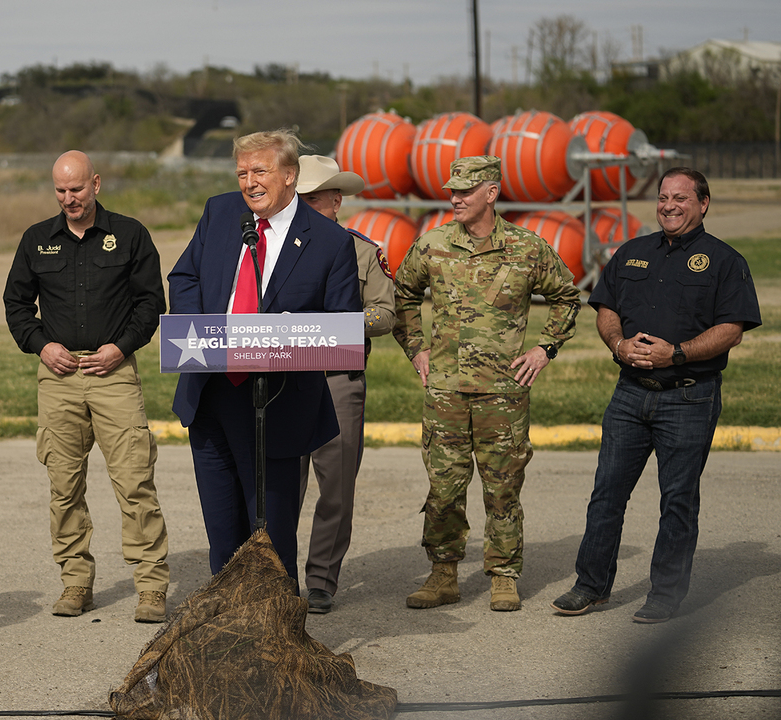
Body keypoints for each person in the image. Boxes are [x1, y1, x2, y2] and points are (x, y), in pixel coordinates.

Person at [551, 168, 760, 624]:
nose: (669, 205)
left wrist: (677, 354)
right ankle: (590, 585)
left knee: (678, 499)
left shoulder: (725, 261)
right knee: (606, 493)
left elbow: (732, 329)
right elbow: (607, 308)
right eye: (664, 197)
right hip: (629, 395)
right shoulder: (631, 253)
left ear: (703, 203)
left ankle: (665, 595)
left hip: (689, 396)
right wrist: (618, 344)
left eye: (680, 198)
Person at [168, 130, 362, 584]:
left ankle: (277, 635)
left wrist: (289, 337)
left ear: (290, 176)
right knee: (223, 535)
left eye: (260, 171)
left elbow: (344, 327)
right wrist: (207, 335)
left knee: (272, 539)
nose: (249, 182)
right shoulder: (221, 213)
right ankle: (228, 631)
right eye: (242, 173)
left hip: (276, 403)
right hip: (212, 393)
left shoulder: (329, 243)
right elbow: (184, 276)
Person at [393, 155, 579, 612]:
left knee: (502, 488)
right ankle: (442, 575)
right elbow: (402, 294)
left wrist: (543, 349)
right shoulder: (433, 245)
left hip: (503, 392)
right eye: (451, 190)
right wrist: (416, 347)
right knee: (444, 488)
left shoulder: (526, 248)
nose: (454, 198)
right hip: (446, 392)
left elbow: (567, 296)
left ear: (491, 194)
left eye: (465, 191)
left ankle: (502, 574)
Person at [3, 150, 170, 623]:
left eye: (76, 189)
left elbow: (150, 302)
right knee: (64, 486)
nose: (68, 198)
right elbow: (16, 305)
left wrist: (121, 347)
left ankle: (151, 586)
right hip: (58, 378)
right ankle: (76, 582)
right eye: (60, 190)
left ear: (95, 183)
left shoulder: (131, 234)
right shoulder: (37, 239)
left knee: (135, 481)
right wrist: (41, 346)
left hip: (113, 373)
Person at [294, 155, 396, 614]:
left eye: (315, 199)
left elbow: (384, 313)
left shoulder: (362, 251)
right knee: (280, 483)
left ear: (337, 200)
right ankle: (276, 575)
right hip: (286, 378)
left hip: (338, 378)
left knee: (336, 486)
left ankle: (321, 581)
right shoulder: (275, 246)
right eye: (301, 200)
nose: (307, 207)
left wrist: (336, 327)